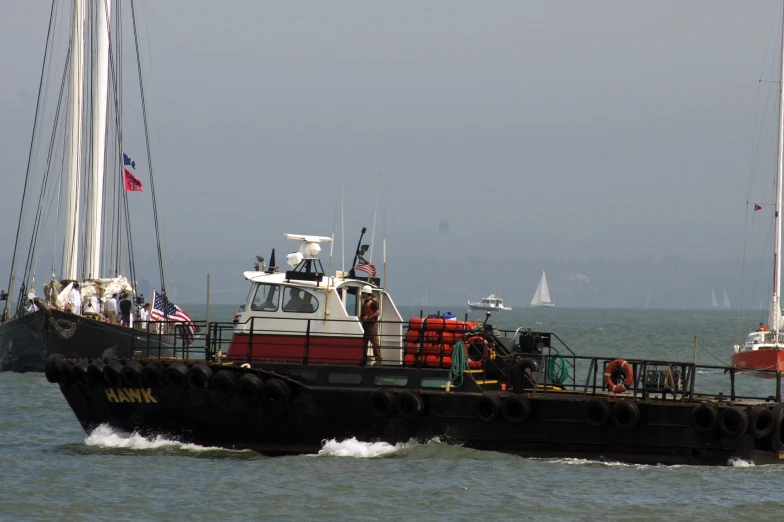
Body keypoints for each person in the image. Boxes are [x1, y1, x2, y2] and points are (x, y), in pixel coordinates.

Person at [360, 285, 382, 366]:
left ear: (366, 293)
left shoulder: (373, 302)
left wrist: (369, 318)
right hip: (366, 324)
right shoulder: (366, 301)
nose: (362, 294)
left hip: (372, 324)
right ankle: (364, 358)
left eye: (363, 293)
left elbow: (378, 312)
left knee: (374, 342)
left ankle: (378, 360)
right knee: (365, 341)